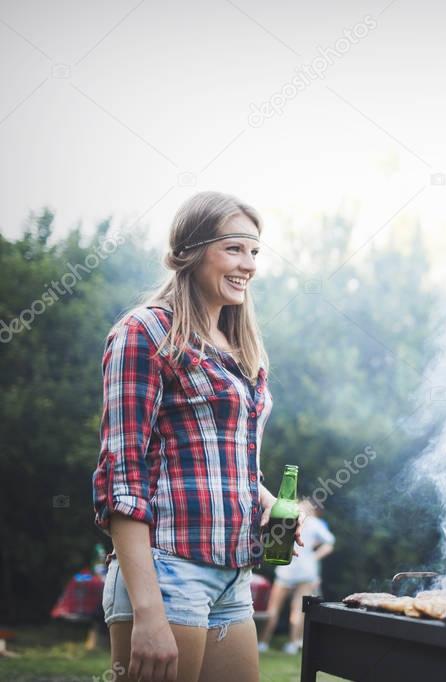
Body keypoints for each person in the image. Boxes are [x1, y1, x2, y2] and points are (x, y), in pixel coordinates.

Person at [92, 191, 302, 682]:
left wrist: (266, 501)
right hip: (167, 572)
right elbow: (122, 478)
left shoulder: (242, 346)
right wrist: (148, 612)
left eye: (254, 251)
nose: (248, 264)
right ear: (190, 250)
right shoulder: (144, 332)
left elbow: (224, 457)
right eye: (234, 248)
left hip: (233, 575)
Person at [257, 499, 335, 654]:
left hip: (287, 568)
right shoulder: (316, 523)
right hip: (305, 571)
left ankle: (263, 643)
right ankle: (293, 645)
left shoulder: (288, 519)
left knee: (274, 608)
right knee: (297, 609)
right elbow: (329, 543)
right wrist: (313, 557)